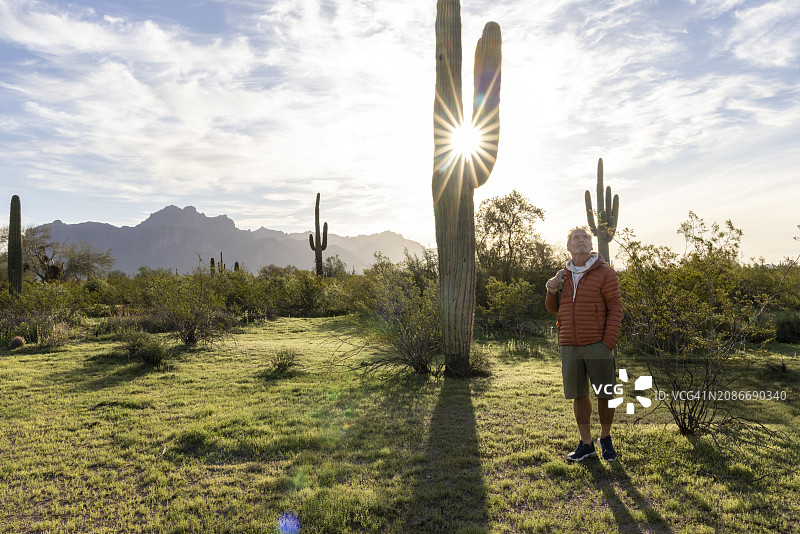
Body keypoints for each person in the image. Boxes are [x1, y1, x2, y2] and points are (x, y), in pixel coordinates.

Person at [545, 227, 623, 461]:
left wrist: (608, 342)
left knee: (604, 393)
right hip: (569, 345)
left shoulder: (605, 273)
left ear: (591, 246)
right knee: (579, 395)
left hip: (598, 344)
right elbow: (553, 309)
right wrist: (550, 292)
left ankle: (606, 439)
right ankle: (586, 443)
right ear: (568, 247)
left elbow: (616, 308)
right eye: (575, 238)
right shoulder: (562, 275)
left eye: (585, 237)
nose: (581, 240)